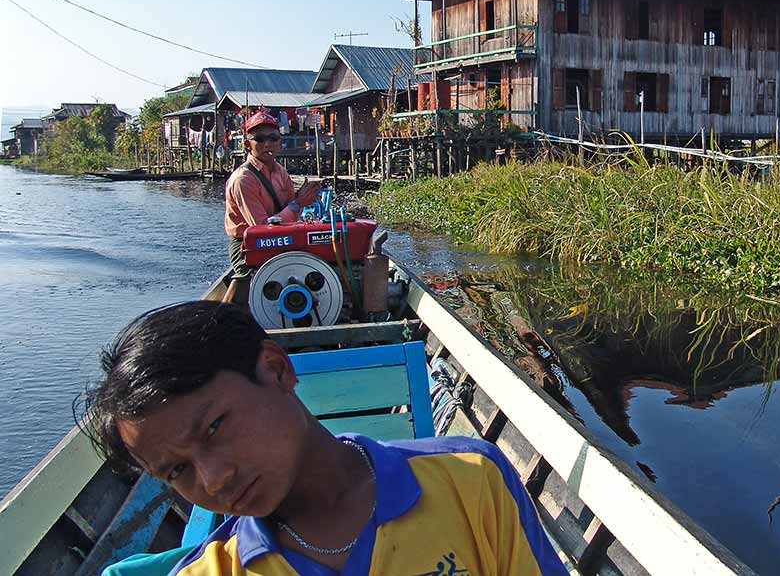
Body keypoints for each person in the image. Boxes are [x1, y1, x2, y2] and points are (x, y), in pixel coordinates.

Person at [82, 301, 567, 576]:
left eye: (214, 427)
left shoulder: (470, 481)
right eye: (177, 470)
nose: (213, 480)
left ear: (275, 369)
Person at [225, 111, 321, 278]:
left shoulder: (280, 171)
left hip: (280, 237)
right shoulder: (243, 180)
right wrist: (298, 203)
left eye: (273, 138)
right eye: (260, 139)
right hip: (248, 245)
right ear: (248, 144)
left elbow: (292, 206)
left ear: (279, 142)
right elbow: (260, 229)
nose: (267, 144)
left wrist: (304, 198)